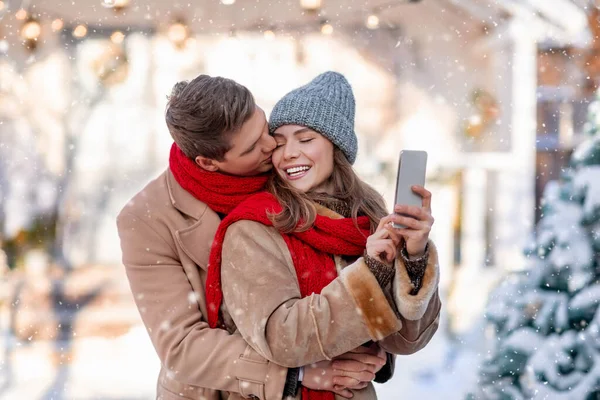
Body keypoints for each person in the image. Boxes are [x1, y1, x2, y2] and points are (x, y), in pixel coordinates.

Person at [117, 75, 395, 400]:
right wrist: (297, 373)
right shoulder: (147, 218)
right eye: (251, 147)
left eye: (264, 127)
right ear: (209, 162)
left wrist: (371, 348)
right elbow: (181, 346)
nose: (270, 145)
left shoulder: (286, 173)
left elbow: (341, 256)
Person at [205, 71, 441, 400]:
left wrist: (414, 258)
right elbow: (281, 338)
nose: (288, 153)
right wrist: (370, 274)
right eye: (280, 141)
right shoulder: (255, 225)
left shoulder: (367, 221)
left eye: (305, 139)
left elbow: (405, 341)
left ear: (336, 147)